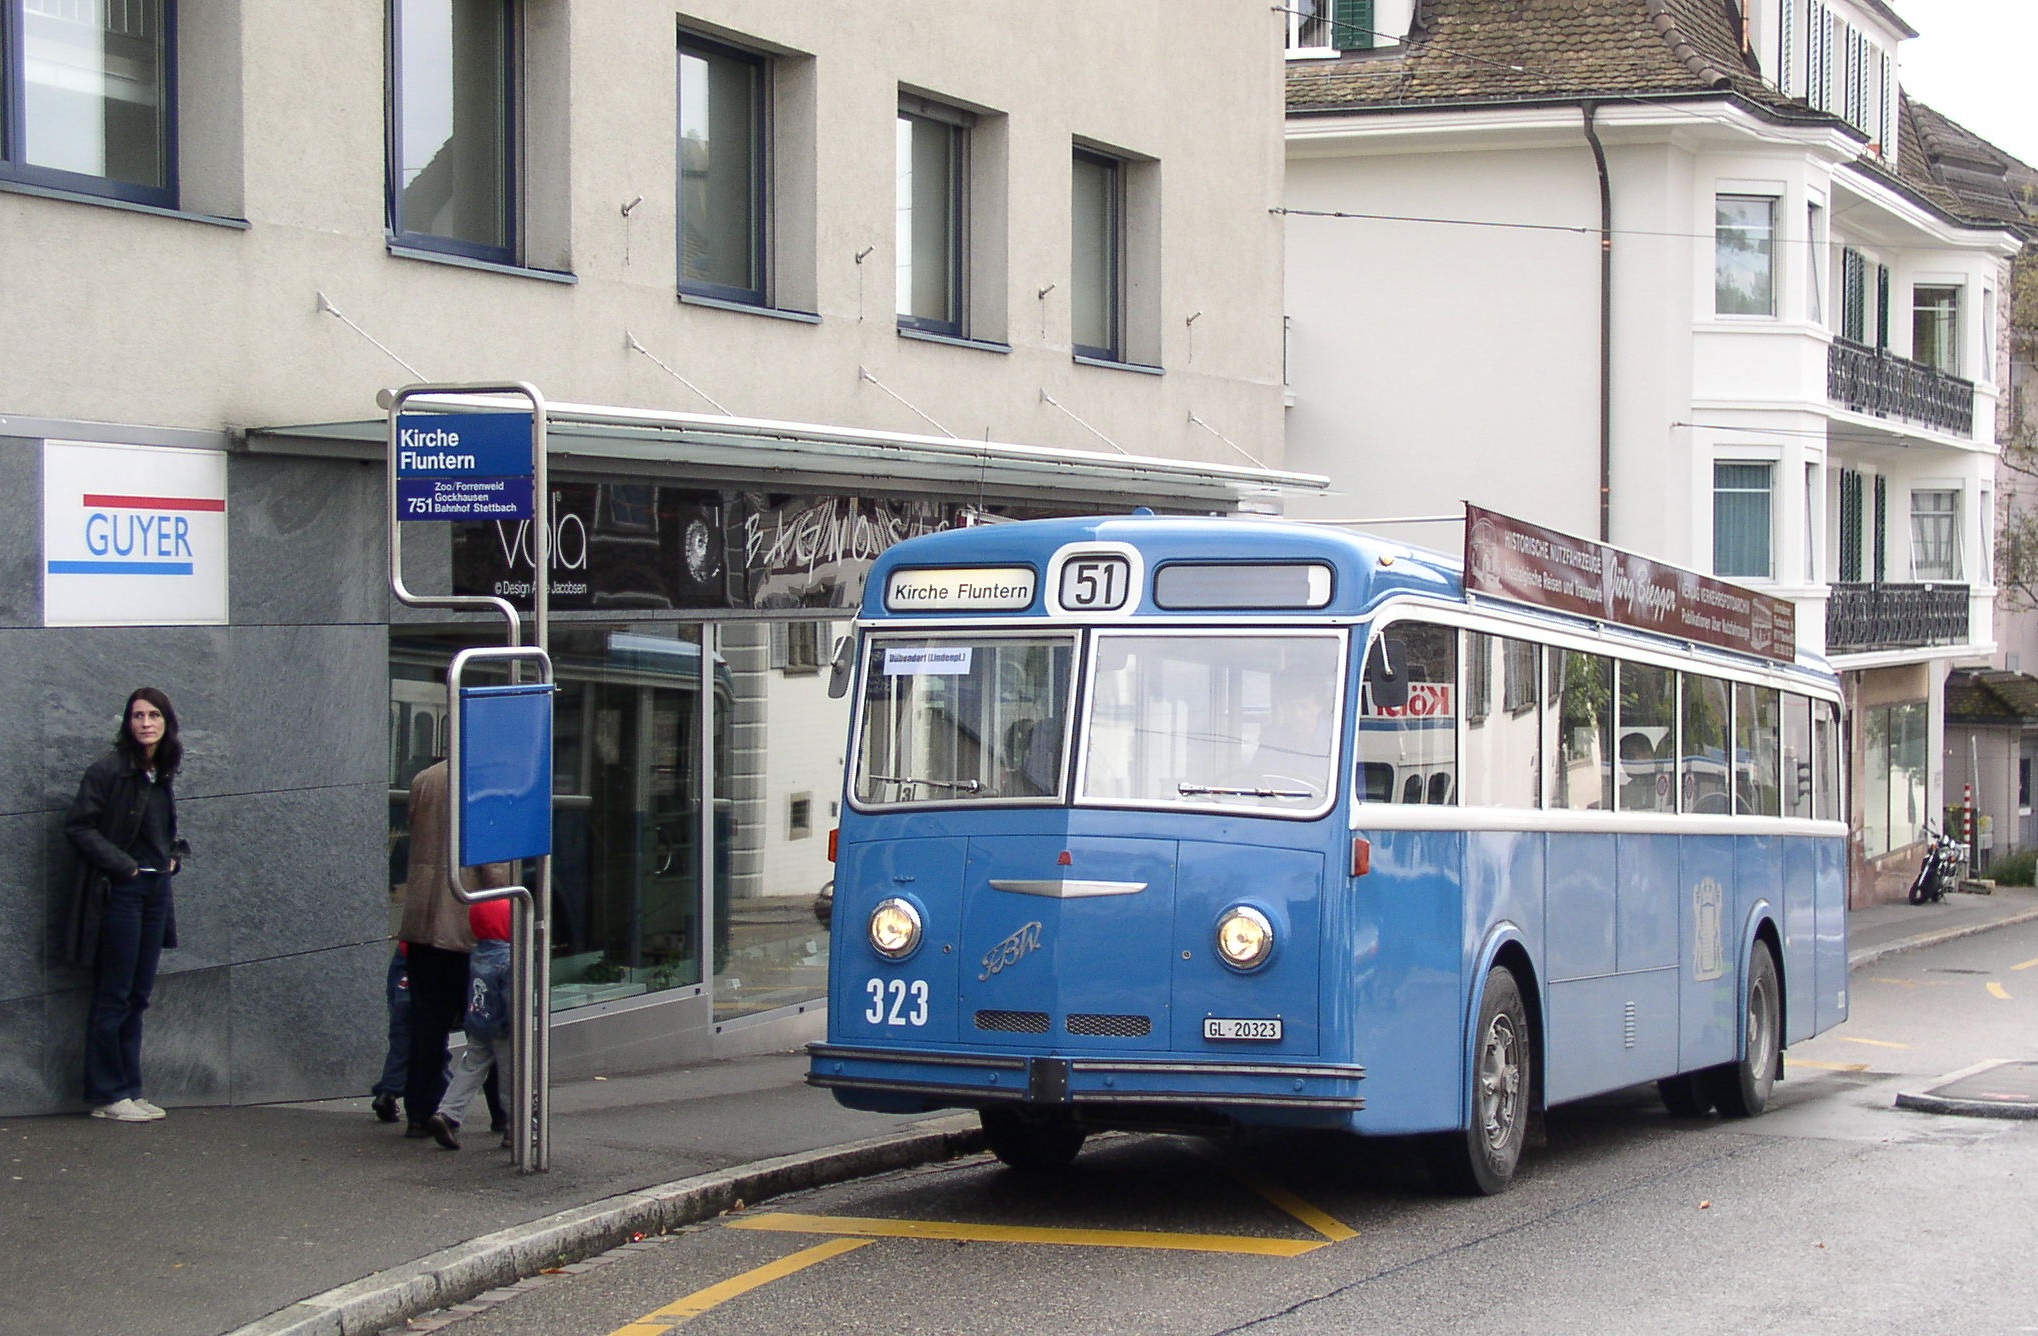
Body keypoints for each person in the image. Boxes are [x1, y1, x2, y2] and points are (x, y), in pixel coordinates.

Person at [65, 687, 189, 1123]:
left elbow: (160, 830)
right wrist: (125, 867)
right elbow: (79, 826)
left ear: (166, 723)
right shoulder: (108, 772)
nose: (145, 723)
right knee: (114, 993)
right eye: (137, 716)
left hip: (156, 892)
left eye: (153, 715)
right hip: (120, 893)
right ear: (127, 723)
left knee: (138, 995)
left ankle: (129, 1090)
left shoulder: (162, 772)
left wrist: (173, 855)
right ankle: (107, 1093)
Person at [397, 760, 513, 1139]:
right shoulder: (488, 783)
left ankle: (418, 1112)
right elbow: (494, 868)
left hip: (423, 919)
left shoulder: (424, 780)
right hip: (467, 926)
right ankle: (502, 1113)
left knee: (426, 1025)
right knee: (488, 1023)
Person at [425, 895, 513, 1150]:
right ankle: (515, 1125)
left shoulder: (478, 953)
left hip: (478, 1022)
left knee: (469, 1068)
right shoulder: (508, 958)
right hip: (503, 1028)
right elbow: (510, 997)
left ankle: (448, 1114)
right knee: (512, 1075)